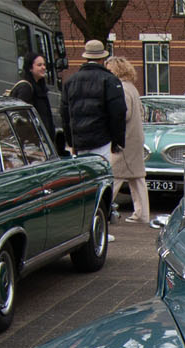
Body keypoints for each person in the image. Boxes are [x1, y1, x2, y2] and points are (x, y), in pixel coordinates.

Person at [61, 39, 126, 160]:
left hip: (79, 141)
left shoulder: (70, 82)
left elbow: (65, 114)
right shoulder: (110, 80)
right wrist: (117, 141)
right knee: (102, 174)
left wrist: (71, 141)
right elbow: (118, 113)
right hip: (102, 139)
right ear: (103, 58)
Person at [104, 55, 149, 223]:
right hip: (135, 138)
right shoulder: (132, 88)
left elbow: (124, 114)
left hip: (125, 139)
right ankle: (142, 213)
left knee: (113, 176)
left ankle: (103, 209)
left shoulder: (121, 89)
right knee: (136, 178)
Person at [10, 51, 57, 148]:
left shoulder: (41, 88)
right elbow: (20, 118)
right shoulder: (26, 88)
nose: (43, 67)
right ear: (30, 68)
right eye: (39, 65)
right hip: (31, 144)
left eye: (44, 65)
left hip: (42, 142)